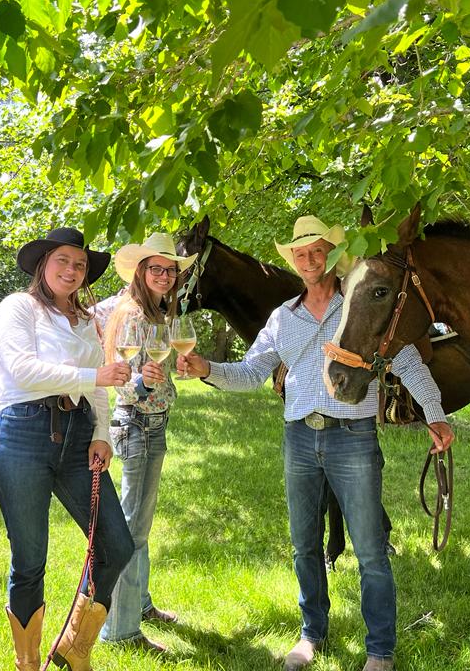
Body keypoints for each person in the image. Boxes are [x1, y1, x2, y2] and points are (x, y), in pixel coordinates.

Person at [178, 216, 455, 671]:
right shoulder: (282, 318)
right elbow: (250, 373)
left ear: (331, 254)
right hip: (299, 439)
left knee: (369, 550)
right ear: (294, 260)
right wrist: (207, 368)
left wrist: (435, 414)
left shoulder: (359, 306)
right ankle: (311, 634)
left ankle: (379, 649)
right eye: (300, 254)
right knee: (304, 545)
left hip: (353, 440)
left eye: (317, 251)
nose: (309, 260)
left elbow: (409, 363)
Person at [0, 227, 136, 671]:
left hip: (77, 436)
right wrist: (95, 378)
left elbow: (100, 384)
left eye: (80, 264)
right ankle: (28, 663)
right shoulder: (19, 308)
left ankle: (75, 644)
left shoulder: (87, 319)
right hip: (20, 435)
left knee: (117, 545)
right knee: (30, 559)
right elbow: (23, 370)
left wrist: (102, 433)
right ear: (42, 265)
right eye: (63, 261)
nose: (72, 271)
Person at [99, 232, 198, 651]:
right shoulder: (135, 315)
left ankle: (139, 604)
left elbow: (150, 373)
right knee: (130, 531)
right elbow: (122, 384)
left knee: (140, 525)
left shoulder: (158, 313)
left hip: (153, 423)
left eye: (170, 269)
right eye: (156, 268)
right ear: (141, 272)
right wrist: (142, 382)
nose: (164, 275)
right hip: (137, 424)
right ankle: (118, 630)